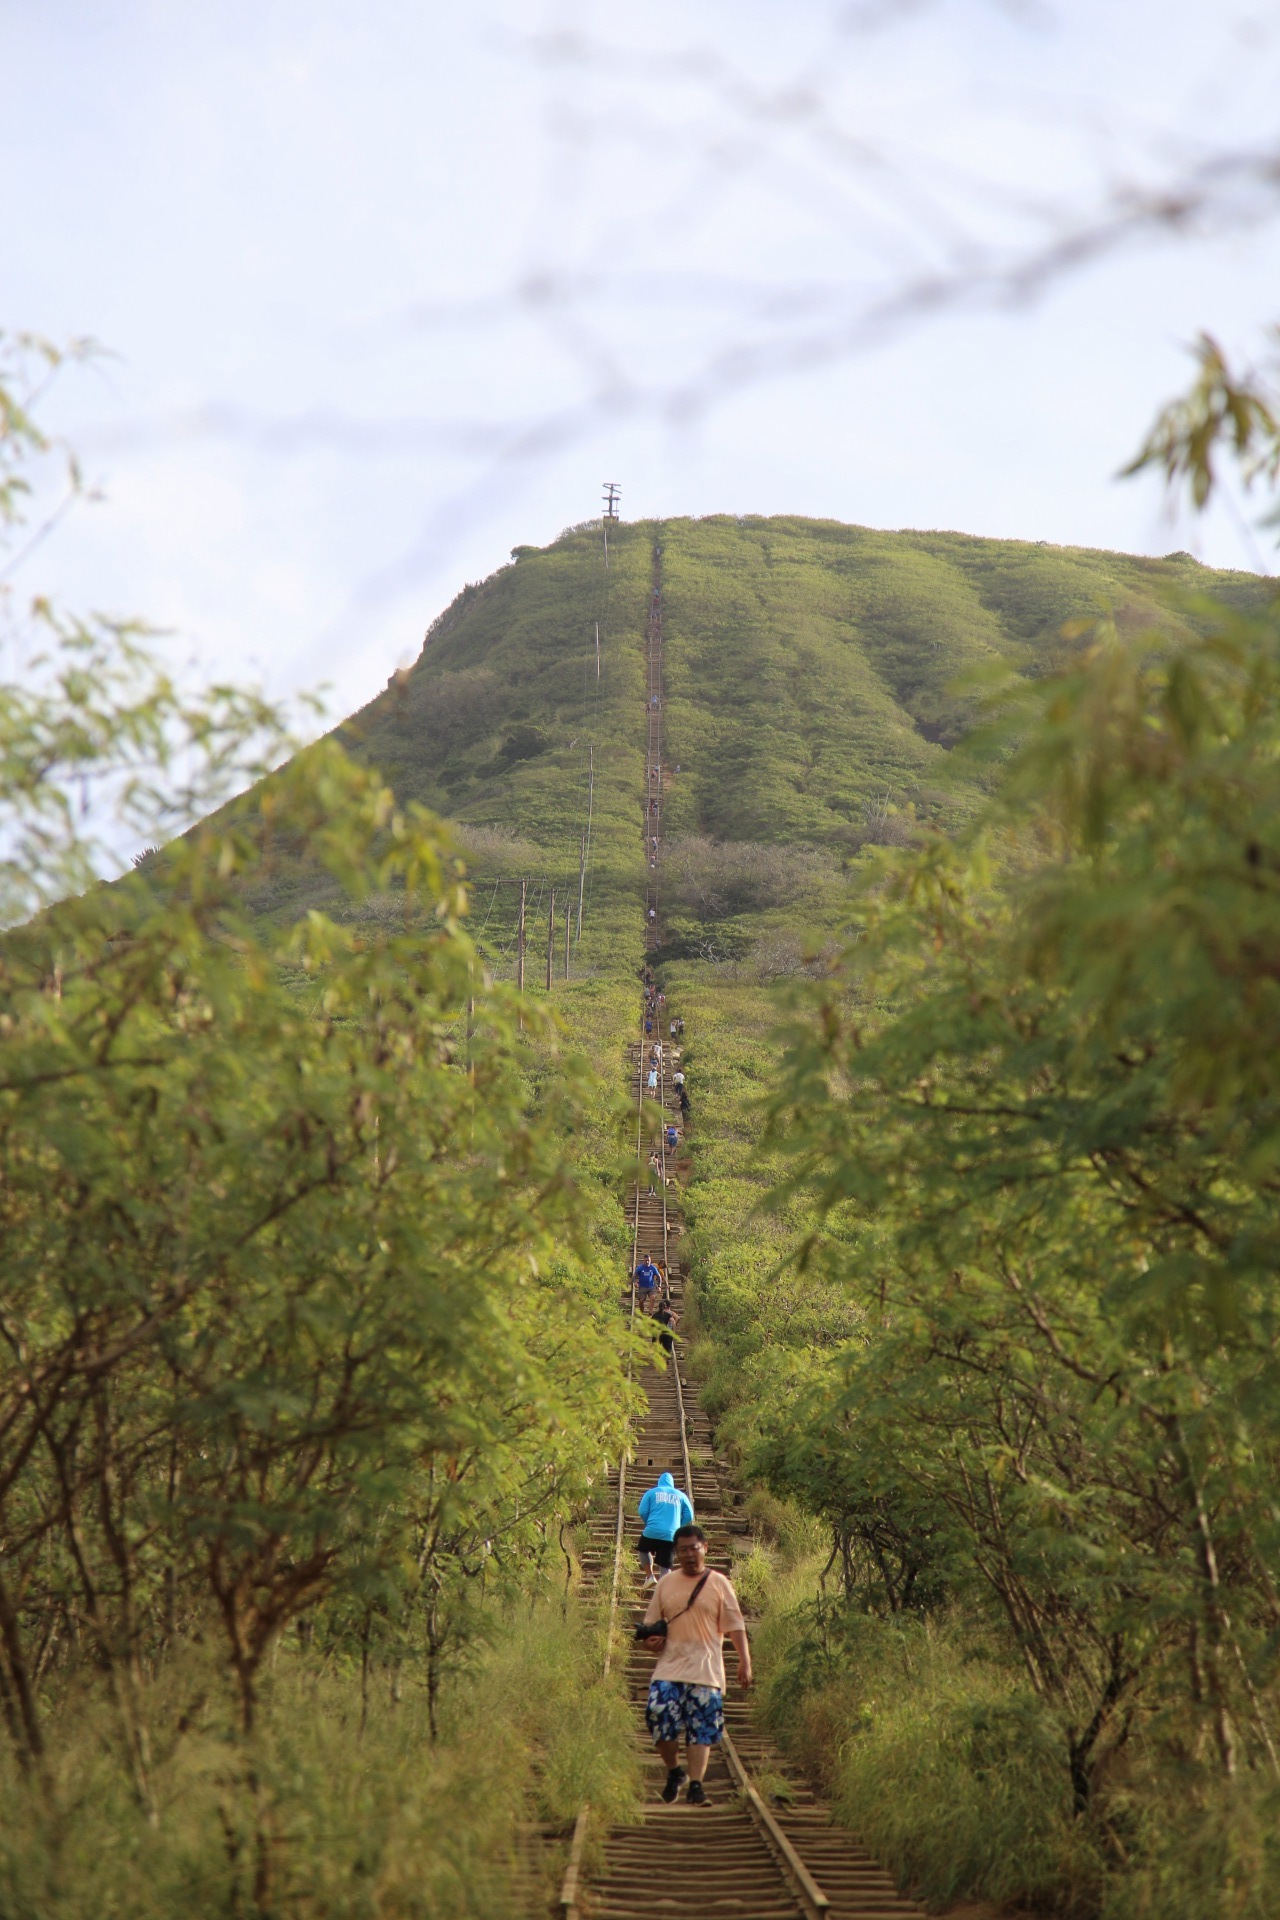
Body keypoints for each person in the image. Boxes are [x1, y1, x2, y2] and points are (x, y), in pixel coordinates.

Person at [641, 1525, 751, 1804]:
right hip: (669, 1667)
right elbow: (651, 1626)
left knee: (700, 1729)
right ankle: (675, 1771)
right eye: (683, 1550)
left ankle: (697, 1786)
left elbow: (736, 1626)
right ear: (676, 1553)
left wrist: (744, 1661)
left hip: (706, 1670)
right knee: (657, 1714)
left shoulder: (719, 1583)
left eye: (694, 1548)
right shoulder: (666, 1583)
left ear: (705, 1548)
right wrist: (651, 1641)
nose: (689, 1554)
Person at [636, 1471, 694, 1588]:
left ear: (659, 1482)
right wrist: (678, 1526)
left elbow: (642, 1511)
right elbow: (689, 1515)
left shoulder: (651, 1493)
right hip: (671, 1535)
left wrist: (648, 1523)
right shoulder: (681, 1495)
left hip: (651, 1531)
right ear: (672, 1484)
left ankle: (650, 1576)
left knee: (643, 1549)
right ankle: (663, 1588)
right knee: (666, 1564)